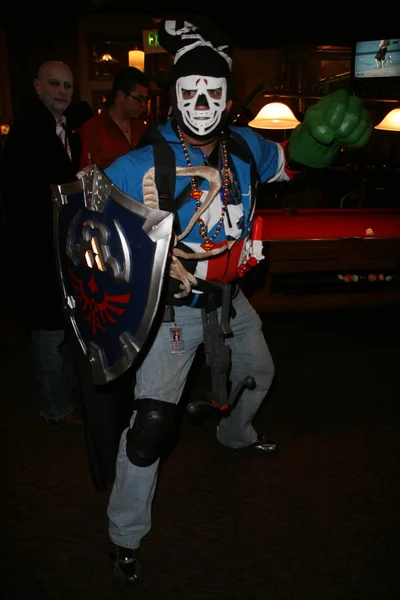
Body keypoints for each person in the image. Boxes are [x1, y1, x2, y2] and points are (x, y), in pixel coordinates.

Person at [74, 18, 372, 582]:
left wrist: (322, 135)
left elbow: (295, 161)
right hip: (173, 310)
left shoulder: (245, 146)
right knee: (152, 425)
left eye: (214, 92)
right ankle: (125, 533)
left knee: (259, 372)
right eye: (191, 92)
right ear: (173, 99)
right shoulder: (143, 162)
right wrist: (142, 253)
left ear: (229, 98)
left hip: (232, 298)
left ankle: (234, 433)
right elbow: (88, 230)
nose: (203, 102)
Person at [2, 60, 82, 426]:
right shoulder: (26, 133)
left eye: (67, 84)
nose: (62, 90)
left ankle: (62, 398)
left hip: (59, 249)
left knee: (62, 329)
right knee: (49, 331)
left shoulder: (67, 132)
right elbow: (25, 198)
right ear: (37, 87)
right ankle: (53, 405)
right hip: (37, 251)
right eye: (54, 83)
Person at [78, 66, 150, 170]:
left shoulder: (142, 129)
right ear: (121, 95)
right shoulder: (92, 129)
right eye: (139, 99)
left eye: (145, 100)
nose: (143, 105)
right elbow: (86, 175)